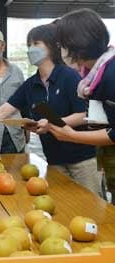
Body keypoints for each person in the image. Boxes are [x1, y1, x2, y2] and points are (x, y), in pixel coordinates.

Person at [0, 23, 100, 195]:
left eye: (36, 44)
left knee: (91, 206)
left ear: (52, 46)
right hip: (53, 158)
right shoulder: (31, 85)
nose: (30, 49)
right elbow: (1, 112)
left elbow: (84, 115)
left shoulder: (68, 76)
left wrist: (52, 123)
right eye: (28, 45)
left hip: (81, 158)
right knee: (65, 206)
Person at [47, 8, 115, 202]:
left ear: (77, 44)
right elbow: (100, 117)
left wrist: (74, 136)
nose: (60, 50)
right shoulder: (92, 74)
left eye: (62, 44)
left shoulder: (111, 74)